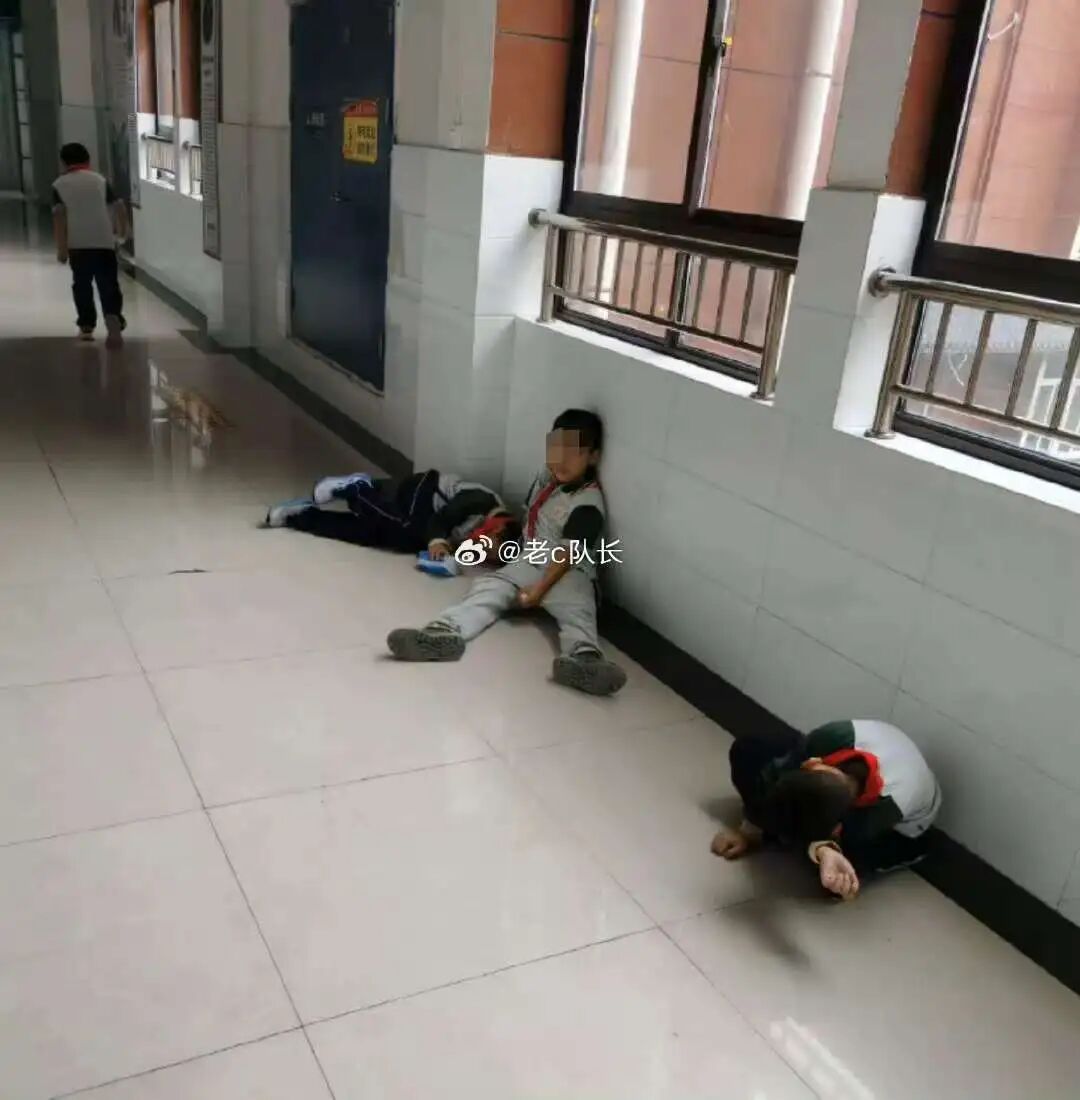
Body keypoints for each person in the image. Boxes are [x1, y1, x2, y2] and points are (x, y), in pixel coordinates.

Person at [386, 409, 627, 697]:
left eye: (574, 452)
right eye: (556, 448)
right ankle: (442, 633)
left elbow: (568, 555)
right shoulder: (548, 478)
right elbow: (530, 523)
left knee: (577, 610)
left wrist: (538, 591)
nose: (561, 459)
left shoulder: (588, 502)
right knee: (488, 588)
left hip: (568, 571)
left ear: (593, 457)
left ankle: (584, 660)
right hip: (529, 560)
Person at [711, 719, 941, 901]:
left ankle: (910, 850)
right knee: (748, 750)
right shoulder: (831, 737)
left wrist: (827, 852)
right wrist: (748, 830)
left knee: (835, 880)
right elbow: (780, 776)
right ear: (811, 763)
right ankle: (782, 832)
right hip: (849, 752)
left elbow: (834, 834)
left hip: (900, 824)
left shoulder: (888, 805)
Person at [264, 470, 520, 564]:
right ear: (497, 528)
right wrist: (437, 543)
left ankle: (300, 516)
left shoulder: (492, 538)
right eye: (487, 548)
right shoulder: (480, 501)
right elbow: (441, 521)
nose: (481, 551)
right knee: (409, 531)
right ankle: (358, 489)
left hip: (422, 515)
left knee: (374, 535)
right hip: (423, 489)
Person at [52, 143, 128, 347]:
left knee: (82, 285)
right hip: (104, 241)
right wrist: (122, 233)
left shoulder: (59, 185)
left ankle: (86, 327)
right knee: (108, 284)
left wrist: (61, 249)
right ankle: (113, 317)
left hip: (77, 243)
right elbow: (119, 206)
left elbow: (59, 217)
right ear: (88, 160)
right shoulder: (99, 180)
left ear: (63, 162)